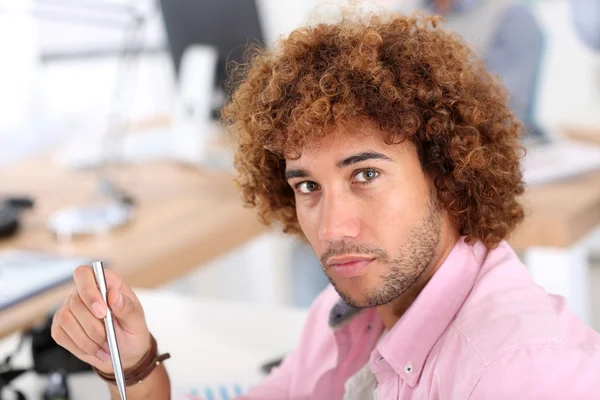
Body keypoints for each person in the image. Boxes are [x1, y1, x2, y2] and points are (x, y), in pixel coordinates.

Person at [50, 8, 600, 400]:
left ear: (447, 174)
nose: (334, 228)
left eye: (365, 174)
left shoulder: (520, 374)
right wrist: (138, 364)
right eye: (307, 186)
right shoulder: (347, 314)